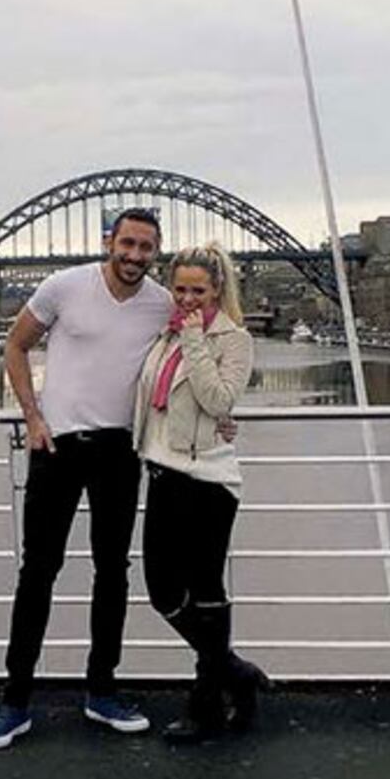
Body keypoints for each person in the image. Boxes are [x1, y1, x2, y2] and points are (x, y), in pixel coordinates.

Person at [0, 208, 173, 751]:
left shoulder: (163, 303)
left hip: (119, 450)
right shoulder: (64, 286)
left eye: (146, 248)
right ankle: (14, 702)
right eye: (127, 243)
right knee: (38, 571)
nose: (134, 256)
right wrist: (33, 417)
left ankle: (101, 691)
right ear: (110, 242)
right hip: (56, 445)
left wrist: (218, 409)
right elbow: (15, 346)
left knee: (113, 573)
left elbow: (199, 348)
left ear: (156, 252)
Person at [133, 242, 269, 743]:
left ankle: (205, 702)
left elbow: (218, 400)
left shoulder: (233, 340)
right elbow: (153, 401)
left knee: (206, 589)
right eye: (180, 289)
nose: (187, 298)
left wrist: (192, 340)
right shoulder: (164, 336)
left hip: (208, 480)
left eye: (198, 290)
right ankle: (236, 673)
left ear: (217, 290)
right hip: (163, 472)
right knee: (162, 591)